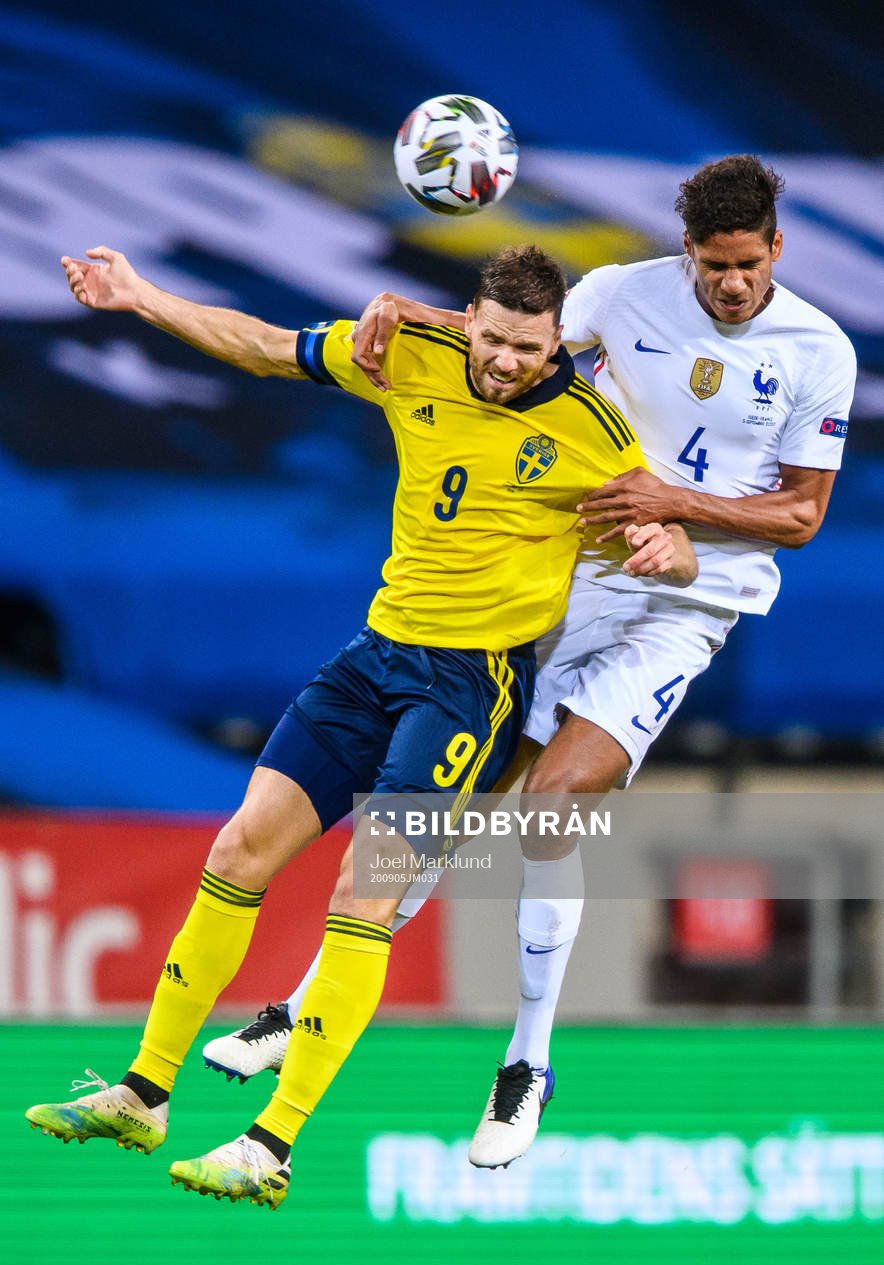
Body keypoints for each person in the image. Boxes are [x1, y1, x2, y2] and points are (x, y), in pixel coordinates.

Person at [201, 155, 857, 1171]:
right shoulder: (620, 292)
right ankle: (301, 998)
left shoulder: (818, 349)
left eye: (746, 264)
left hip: (684, 605)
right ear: (686, 250)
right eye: (712, 264)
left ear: (775, 247)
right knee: (457, 788)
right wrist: (401, 313)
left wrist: (670, 504)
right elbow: (511, 342)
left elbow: (800, 515)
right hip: (577, 573)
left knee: (548, 805)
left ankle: (526, 1057)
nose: (730, 283)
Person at [25, 244, 697, 1210]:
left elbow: (670, 549)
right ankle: (143, 1092)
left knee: (364, 893)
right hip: (373, 657)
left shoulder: (594, 432)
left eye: (530, 349)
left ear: (558, 345)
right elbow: (261, 345)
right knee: (240, 848)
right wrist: (139, 297)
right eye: (495, 341)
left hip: (469, 690)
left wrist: (662, 550)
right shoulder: (413, 354)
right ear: (470, 319)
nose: (507, 363)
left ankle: (271, 1146)